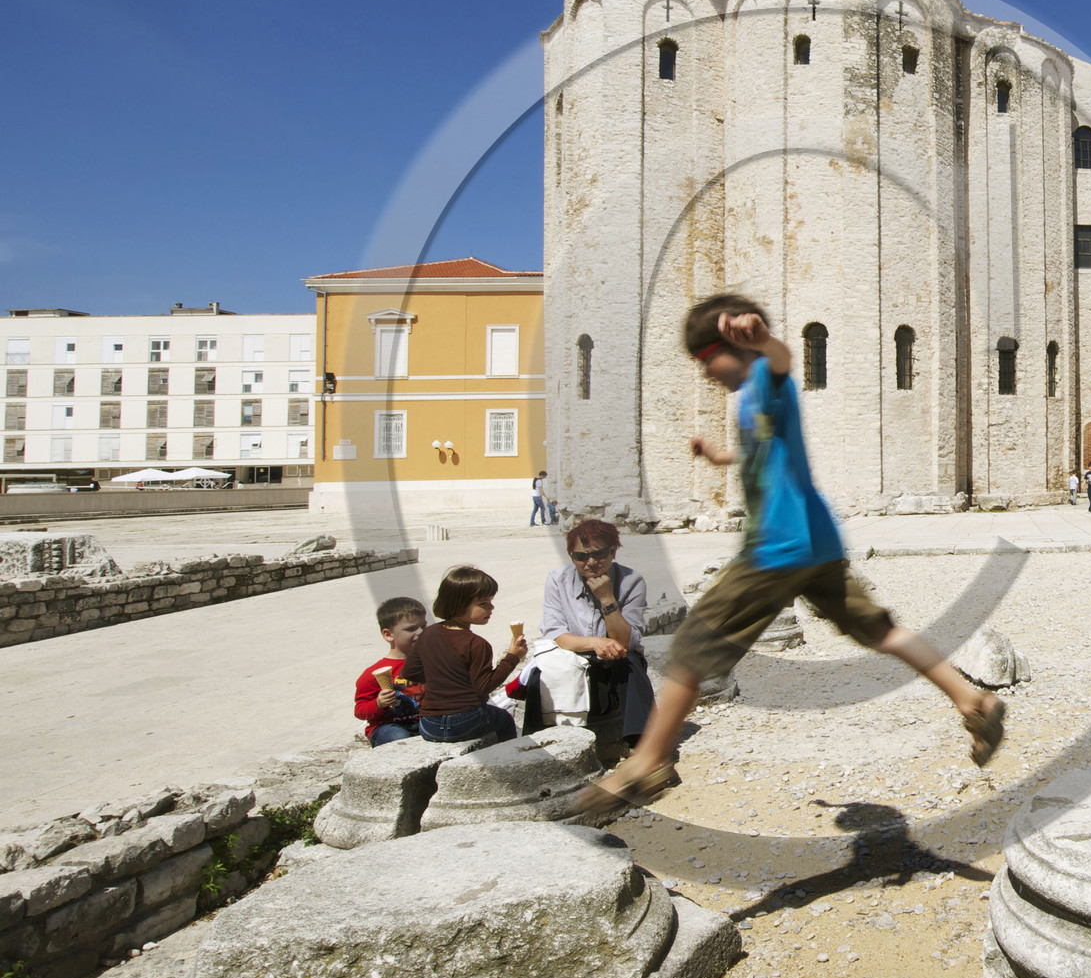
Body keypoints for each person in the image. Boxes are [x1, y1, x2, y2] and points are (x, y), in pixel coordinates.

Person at [571, 296, 1006, 817]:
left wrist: (762, 340)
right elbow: (761, 447)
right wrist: (720, 455)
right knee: (882, 632)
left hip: (777, 549)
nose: (705, 372)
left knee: (691, 646)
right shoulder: (753, 401)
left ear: (734, 347)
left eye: (707, 358)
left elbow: (781, 361)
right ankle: (972, 701)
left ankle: (648, 762)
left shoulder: (767, 381)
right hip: (817, 544)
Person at [530, 517, 657, 747]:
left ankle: (644, 745)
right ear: (572, 556)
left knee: (630, 662)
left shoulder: (632, 581)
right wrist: (595, 643)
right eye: (581, 556)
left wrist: (607, 598)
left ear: (613, 551)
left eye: (599, 554)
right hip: (575, 654)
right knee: (536, 675)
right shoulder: (558, 580)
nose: (591, 562)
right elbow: (555, 634)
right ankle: (535, 747)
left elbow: (626, 641)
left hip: (615, 655)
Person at [403, 564, 528, 744]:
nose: (491, 607)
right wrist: (512, 657)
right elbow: (483, 687)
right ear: (459, 605)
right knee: (504, 719)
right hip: (466, 721)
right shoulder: (477, 644)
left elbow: (409, 673)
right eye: (483, 604)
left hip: (429, 724)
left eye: (491, 601)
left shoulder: (428, 634)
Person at [354, 596, 427, 746]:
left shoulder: (429, 661)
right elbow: (360, 710)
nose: (420, 632)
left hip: (424, 721)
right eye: (411, 629)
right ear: (388, 635)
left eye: (423, 626)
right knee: (397, 736)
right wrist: (379, 704)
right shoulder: (373, 673)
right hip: (387, 727)